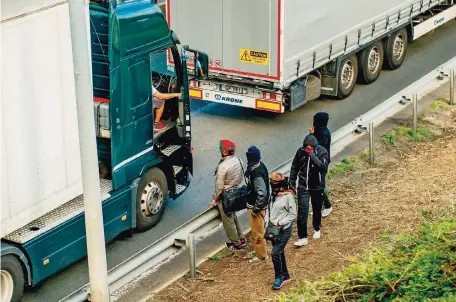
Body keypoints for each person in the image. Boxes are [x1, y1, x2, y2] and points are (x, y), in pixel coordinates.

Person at [289, 135, 329, 247]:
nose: (306, 149)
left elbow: (323, 167)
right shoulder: (300, 151)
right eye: (305, 147)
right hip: (303, 186)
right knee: (302, 211)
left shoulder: (322, 151)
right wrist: (292, 182)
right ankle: (302, 237)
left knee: (317, 208)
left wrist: (312, 154)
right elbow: (294, 167)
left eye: (309, 147)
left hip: (317, 186)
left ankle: (316, 228)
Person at [210, 140, 246, 250]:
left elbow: (219, 186)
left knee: (228, 220)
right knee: (233, 216)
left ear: (224, 152)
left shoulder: (223, 166)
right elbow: (241, 177)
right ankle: (241, 238)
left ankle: (236, 243)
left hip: (226, 195)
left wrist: (215, 199)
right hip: (236, 192)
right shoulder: (239, 160)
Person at [266, 172, 297, 290]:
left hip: (284, 230)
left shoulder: (288, 197)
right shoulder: (273, 195)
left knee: (274, 253)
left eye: (274, 182)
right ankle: (286, 275)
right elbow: (270, 209)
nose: (271, 184)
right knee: (280, 252)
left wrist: (280, 222)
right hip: (274, 230)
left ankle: (279, 277)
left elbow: (292, 214)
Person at [245, 146, 269, 264]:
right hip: (255, 205)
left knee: (258, 232)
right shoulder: (259, 165)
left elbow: (262, 193)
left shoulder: (256, 172)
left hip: (257, 207)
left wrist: (255, 209)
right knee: (256, 231)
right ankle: (258, 250)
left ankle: (261, 256)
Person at [309, 112, 333, 217]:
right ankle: (318, 207)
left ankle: (327, 206)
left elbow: (315, 147)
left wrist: (311, 135)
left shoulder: (324, 134)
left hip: (321, 164)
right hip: (316, 163)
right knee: (315, 186)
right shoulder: (320, 131)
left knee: (319, 187)